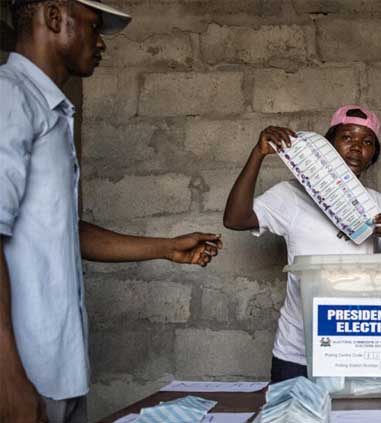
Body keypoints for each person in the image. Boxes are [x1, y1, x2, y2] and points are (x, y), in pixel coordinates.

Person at [0, 1, 223, 422]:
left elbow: (60, 231)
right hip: (20, 374)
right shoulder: (9, 96)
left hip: (54, 370)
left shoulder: (51, 110)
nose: (100, 42)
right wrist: (7, 374)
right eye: (93, 26)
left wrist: (165, 247)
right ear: (53, 18)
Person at [223, 105, 381, 382]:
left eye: (367, 142)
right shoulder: (290, 196)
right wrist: (258, 154)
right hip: (298, 352)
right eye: (347, 138)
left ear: (373, 156)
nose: (356, 148)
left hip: (357, 349)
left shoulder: (377, 203)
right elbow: (235, 219)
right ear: (328, 147)